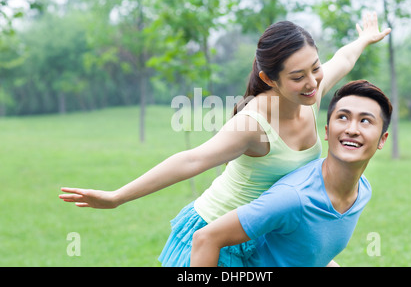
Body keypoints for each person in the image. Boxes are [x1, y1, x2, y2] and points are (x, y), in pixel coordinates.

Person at [59, 13, 391, 266]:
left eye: (315, 68)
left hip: (260, 234)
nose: (312, 82)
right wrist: (117, 197)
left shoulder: (311, 94)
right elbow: (192, 160)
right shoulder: (253, 124)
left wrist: (364, 40)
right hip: (213, 236)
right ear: (269, 79)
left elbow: (343, 60)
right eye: (297, 76)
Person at [190, 80, 392, 267]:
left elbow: (305, 251)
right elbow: (205, 238)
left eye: (365, 121)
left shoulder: (362, 190)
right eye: (343, 117)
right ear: (327, 131)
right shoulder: (293, 197)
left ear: (382, 139)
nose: (352, 129)